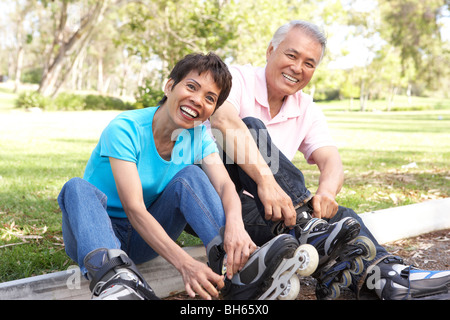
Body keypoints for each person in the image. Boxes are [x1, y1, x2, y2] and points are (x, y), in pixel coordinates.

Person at [209, 20, 450, 300]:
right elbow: (222, 119)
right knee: (250, 127)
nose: (298, 68)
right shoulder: (237, 78)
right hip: (221, 200)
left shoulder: (307, 108)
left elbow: (331, 160)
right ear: (270, 50)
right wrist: (266, 181)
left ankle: (389, 277)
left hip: (270, 214)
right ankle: (311, 229)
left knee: (340, 215)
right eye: (291, 55)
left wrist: (326, 193)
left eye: (309, 63)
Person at [57, 52, 306, 300]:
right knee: (76, 187)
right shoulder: (125, 128)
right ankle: (116, 282)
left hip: (144, 240)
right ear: (169, 86)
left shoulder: (197, 137)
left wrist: (236, 227)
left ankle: (234, 263)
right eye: (191, 87)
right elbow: (134, 209)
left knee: (190, 175)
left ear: (212, 111)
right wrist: (185, 263)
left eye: (210, 98)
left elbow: (225, 187)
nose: (198, 100)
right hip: (96, 234)